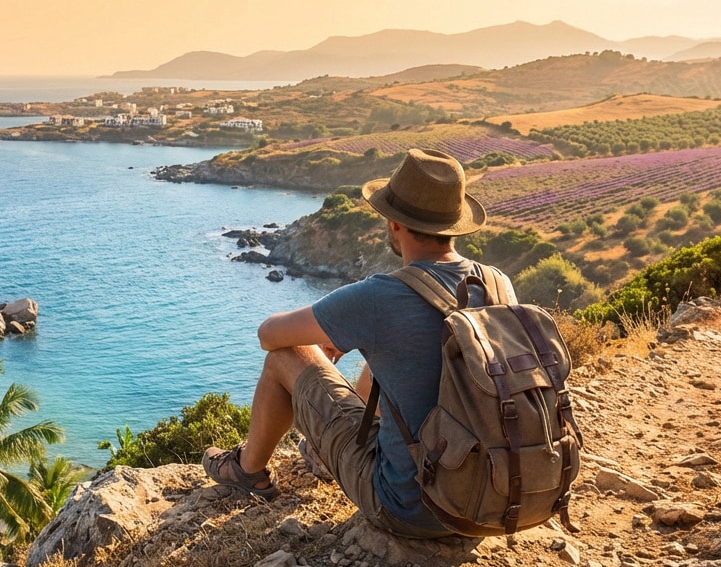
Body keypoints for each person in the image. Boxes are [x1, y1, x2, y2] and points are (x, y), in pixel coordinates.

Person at [203, 148, 514, 539]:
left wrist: (330, 334)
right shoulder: (497, 282)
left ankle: (247, 470)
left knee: (288, 354)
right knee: (388, 360)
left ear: (394, 223)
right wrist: (355, 335)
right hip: (490, 503)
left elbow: (270, 335)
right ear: (455, 223)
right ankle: (322, 452)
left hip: (409, 509)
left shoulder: (382, 296)